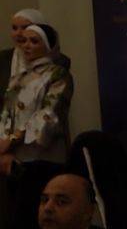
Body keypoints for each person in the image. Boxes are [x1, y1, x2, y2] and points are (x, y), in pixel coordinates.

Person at [1, 24, 73, 168]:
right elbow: (6, 113)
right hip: (14, 155)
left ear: (47, 46)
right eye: (23, 41)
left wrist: (13, 139)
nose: (26, 46)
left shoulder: (58, 75)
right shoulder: (19, 77)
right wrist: (3, 141)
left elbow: (49, 114)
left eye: (34, 41)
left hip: (45, 156)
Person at [0, 9, 71, 91]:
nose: (18, 33)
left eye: (25, 27)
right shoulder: (3, 57)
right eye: (14, 28)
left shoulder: (60, 61)